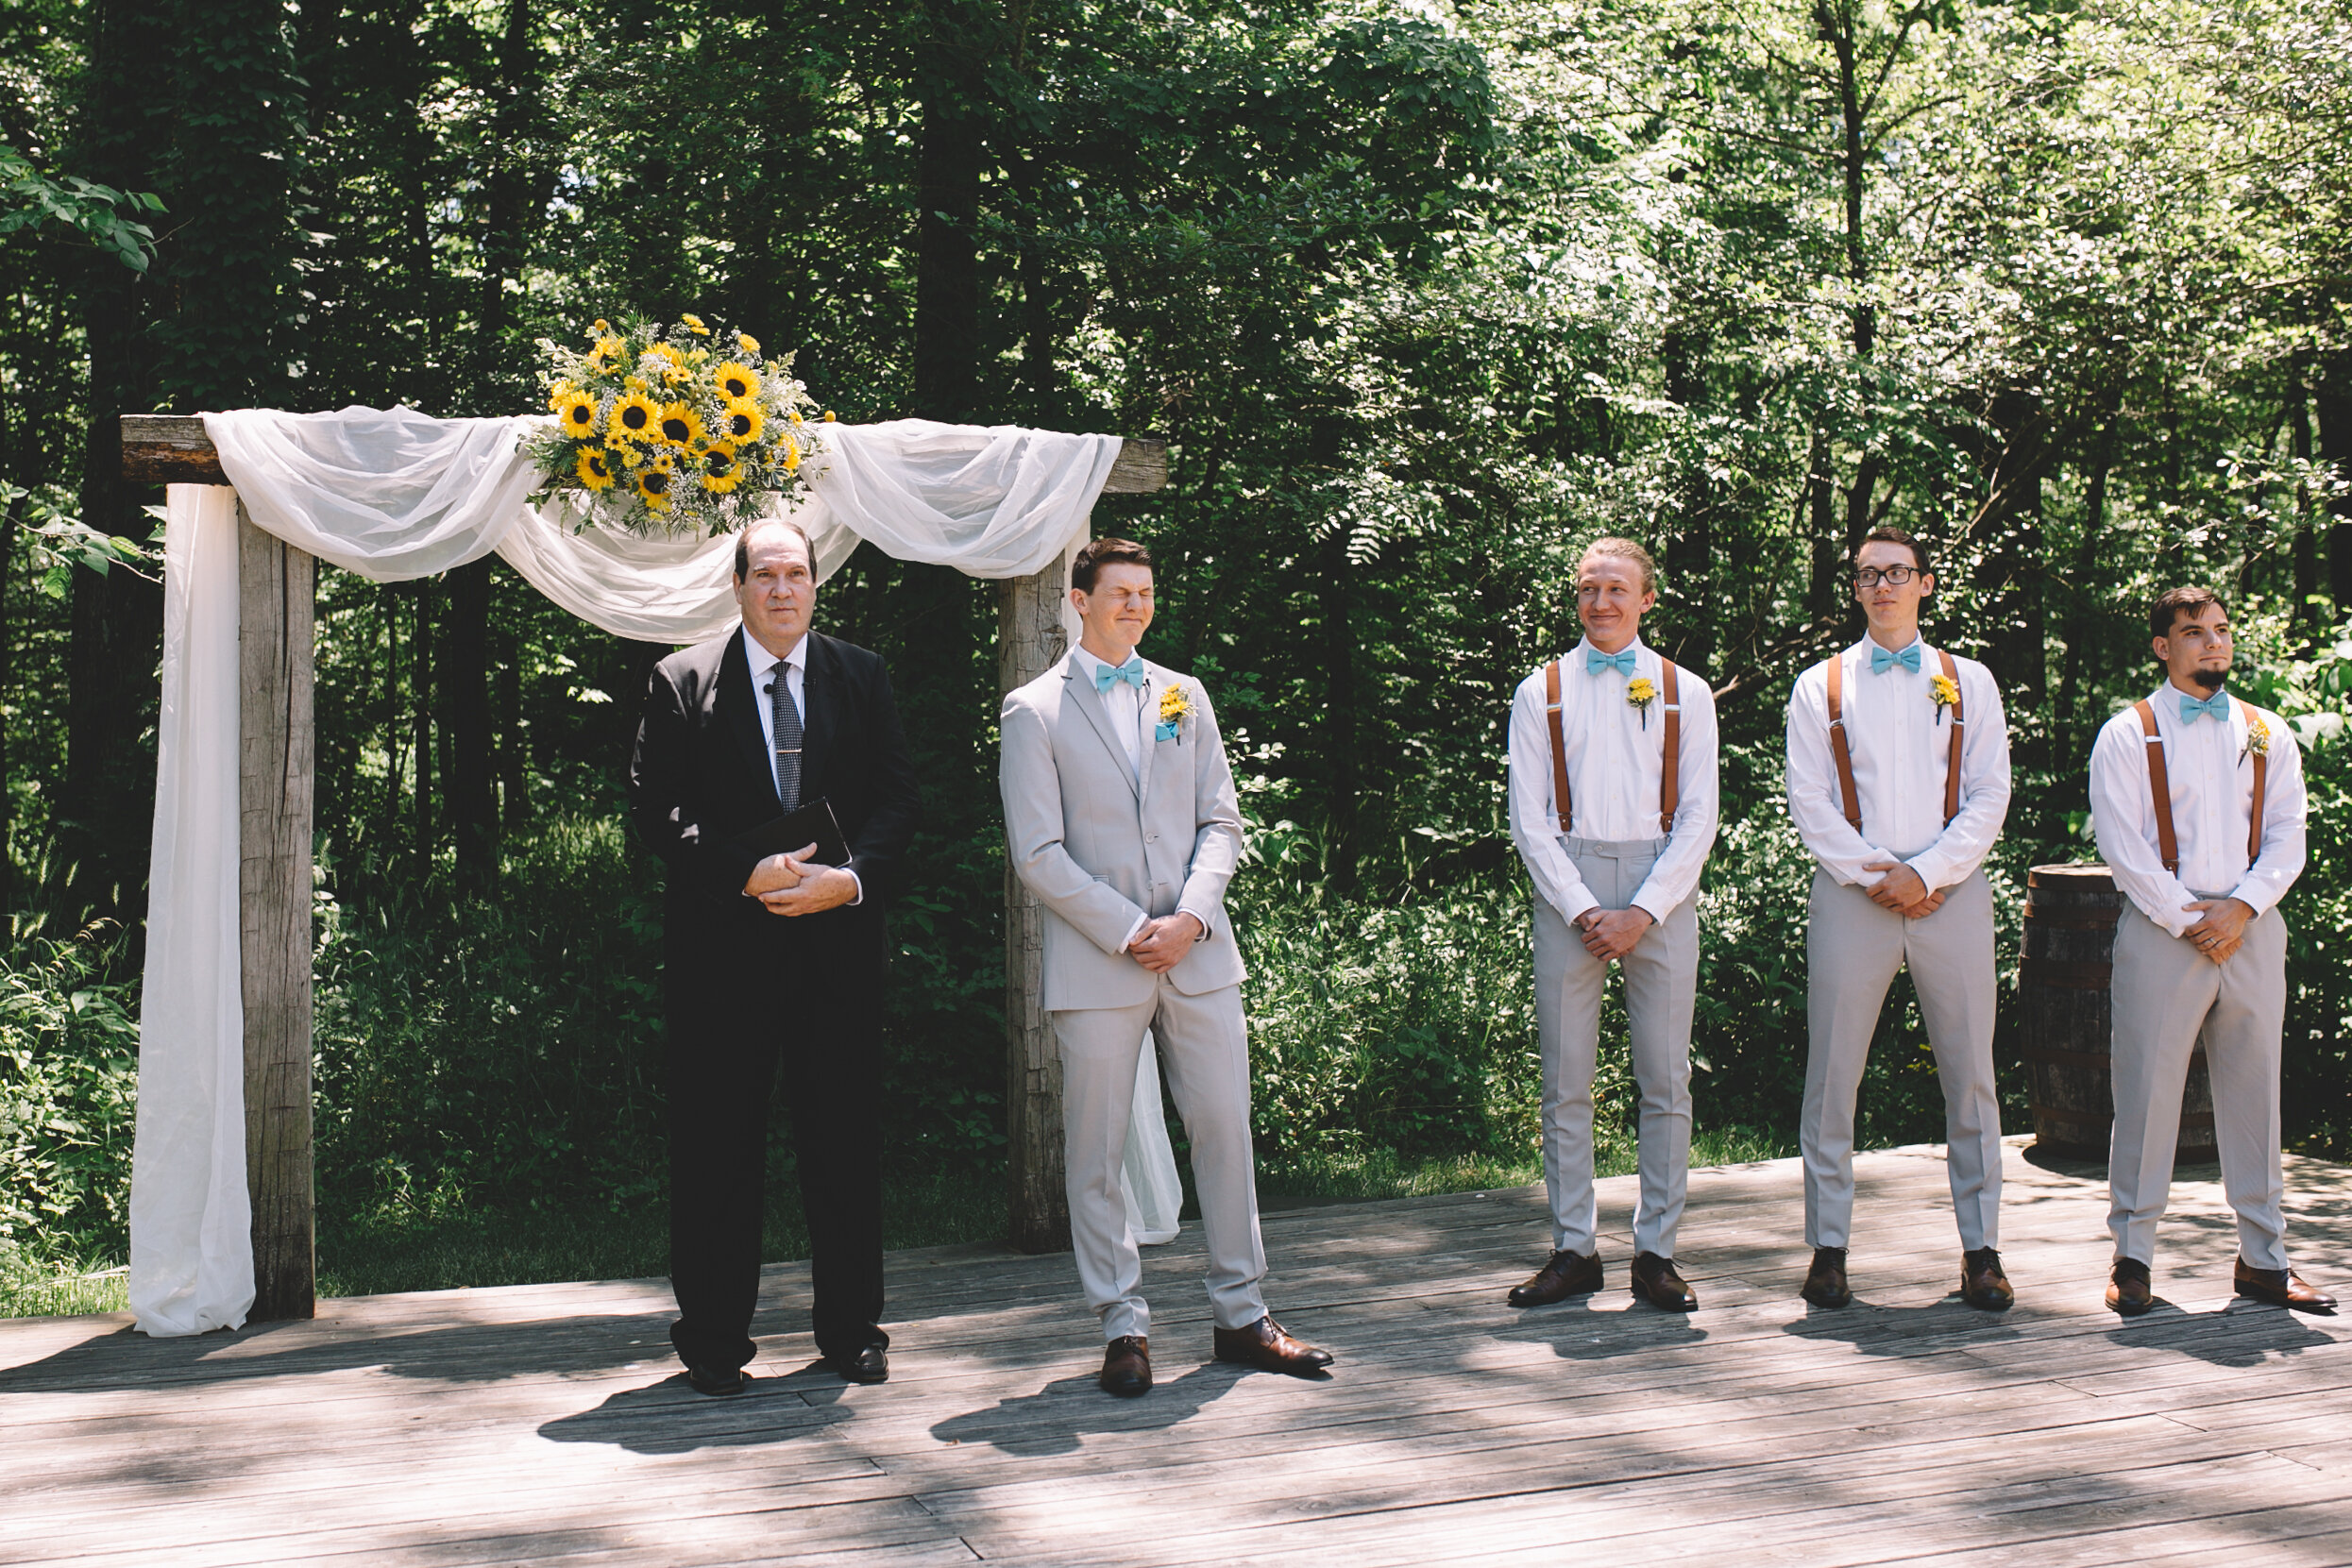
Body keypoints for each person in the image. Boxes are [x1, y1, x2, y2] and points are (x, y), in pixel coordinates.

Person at [999, 536, 1332, 1398]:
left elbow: (1222, 820)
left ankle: (1241, 1312)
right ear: (1079, 600)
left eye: (1146, 593)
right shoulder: (1031, 710)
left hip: (1198, 953)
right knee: (1097, 1151)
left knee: (1225, 1126)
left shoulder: (1184, 695)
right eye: (1120, 593)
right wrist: (1130, 928)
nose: (1136, 606)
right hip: (1099, 960)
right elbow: (1037, 852)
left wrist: (1188, 916)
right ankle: (1122, 1324)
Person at [628, 516, 922, 1393]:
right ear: (738, 585)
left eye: (796, 573)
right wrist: (741, 870)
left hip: (836, 949)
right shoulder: (682, 680)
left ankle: (850, 1332)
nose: (782, 589)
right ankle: (714, 1340)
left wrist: (855, 879)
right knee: (718, 1149)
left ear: (815, 584)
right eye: (765, 574)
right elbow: (656, 812)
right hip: (725, 959)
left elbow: (898, 800)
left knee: (842, 1143)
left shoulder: (860, 675)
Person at [1784, 526, 2013, 1311]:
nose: (1881, 585)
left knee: (1970, 1074)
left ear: (1923, 582)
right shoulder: (1820, 685)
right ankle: (1828, 1248)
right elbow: (1809, 802)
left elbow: (1989, 791)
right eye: (1866, 575)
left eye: (1896, 572)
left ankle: (1980, 1250)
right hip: (1853, 898)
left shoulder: (1970, 680)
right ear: (1853, 589)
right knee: (1832, 1076)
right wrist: (1879, 875)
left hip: (1952, 894)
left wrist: (1931, 871)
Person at [2087, 586, 2334, 1316]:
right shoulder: (2127, 733)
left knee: (2255, 1094)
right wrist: (2184, 916)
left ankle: (2263, 1258)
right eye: (2194, 632)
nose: (2213, 643)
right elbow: (2121, 841)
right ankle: (2131, 1256)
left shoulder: (2267, 731)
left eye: (2221, 630)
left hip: (2252, 929)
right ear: (2163, 646)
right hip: (2166, 932)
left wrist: (2244, 906)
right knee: (2145, 1095)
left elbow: (2288, 831)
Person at [1502, 537, 1719, 1312]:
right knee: (1565, 1081)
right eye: (1588, 588)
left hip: (1660, 887)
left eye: (1615, 588)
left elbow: (1698, 814)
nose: (1600, 602)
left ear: (1646, 598)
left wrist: (1643, 909)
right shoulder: (1542, 690)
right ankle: (1573, 1247)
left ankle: (1656, 1252)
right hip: (1568, 889)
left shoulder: (1684, 690)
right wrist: (1586, 908)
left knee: (1664, 1079)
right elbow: (1527, 818)